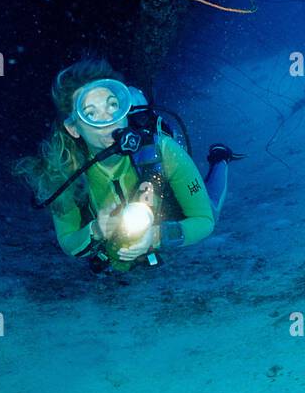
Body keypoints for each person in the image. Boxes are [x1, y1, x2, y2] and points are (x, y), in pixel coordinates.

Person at [16, 58, 241, 273]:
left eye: (112, 105)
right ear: (74, 128)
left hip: (168, 213)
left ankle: (220, 158)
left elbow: (204, 221)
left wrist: (155, 236)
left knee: (210, 206)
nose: (108, 120)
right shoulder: (64, 171)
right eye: (91, 113)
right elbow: (68, 241)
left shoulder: (163, 149)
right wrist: (96, 229)